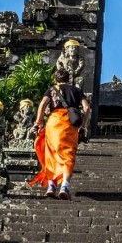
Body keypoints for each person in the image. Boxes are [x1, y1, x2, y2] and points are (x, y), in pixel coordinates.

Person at [31, 70, 90, 199]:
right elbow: (86, 108)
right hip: (70, 124)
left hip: (54, 122)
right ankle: (64, 186)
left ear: (55, 79)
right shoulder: (76, 90)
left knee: (51, 153)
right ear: (68, 79)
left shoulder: (52, 89)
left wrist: (38, 122)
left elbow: (43, 104)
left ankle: (51, 186)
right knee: (68, 154)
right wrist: (83, 126)